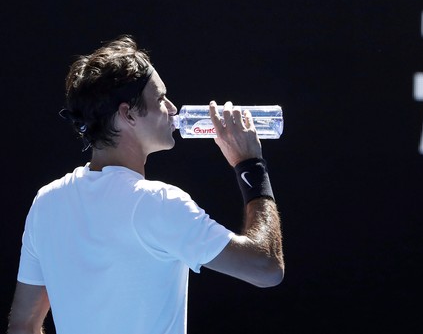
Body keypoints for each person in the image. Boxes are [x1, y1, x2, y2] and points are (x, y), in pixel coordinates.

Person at [7, 35, 284, 334]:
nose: (173, 108)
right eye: (161, 98)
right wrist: (250, 165)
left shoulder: (46, 202)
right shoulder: (160, 203)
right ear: (128, 114)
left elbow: (23, 325)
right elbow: (266, 268)